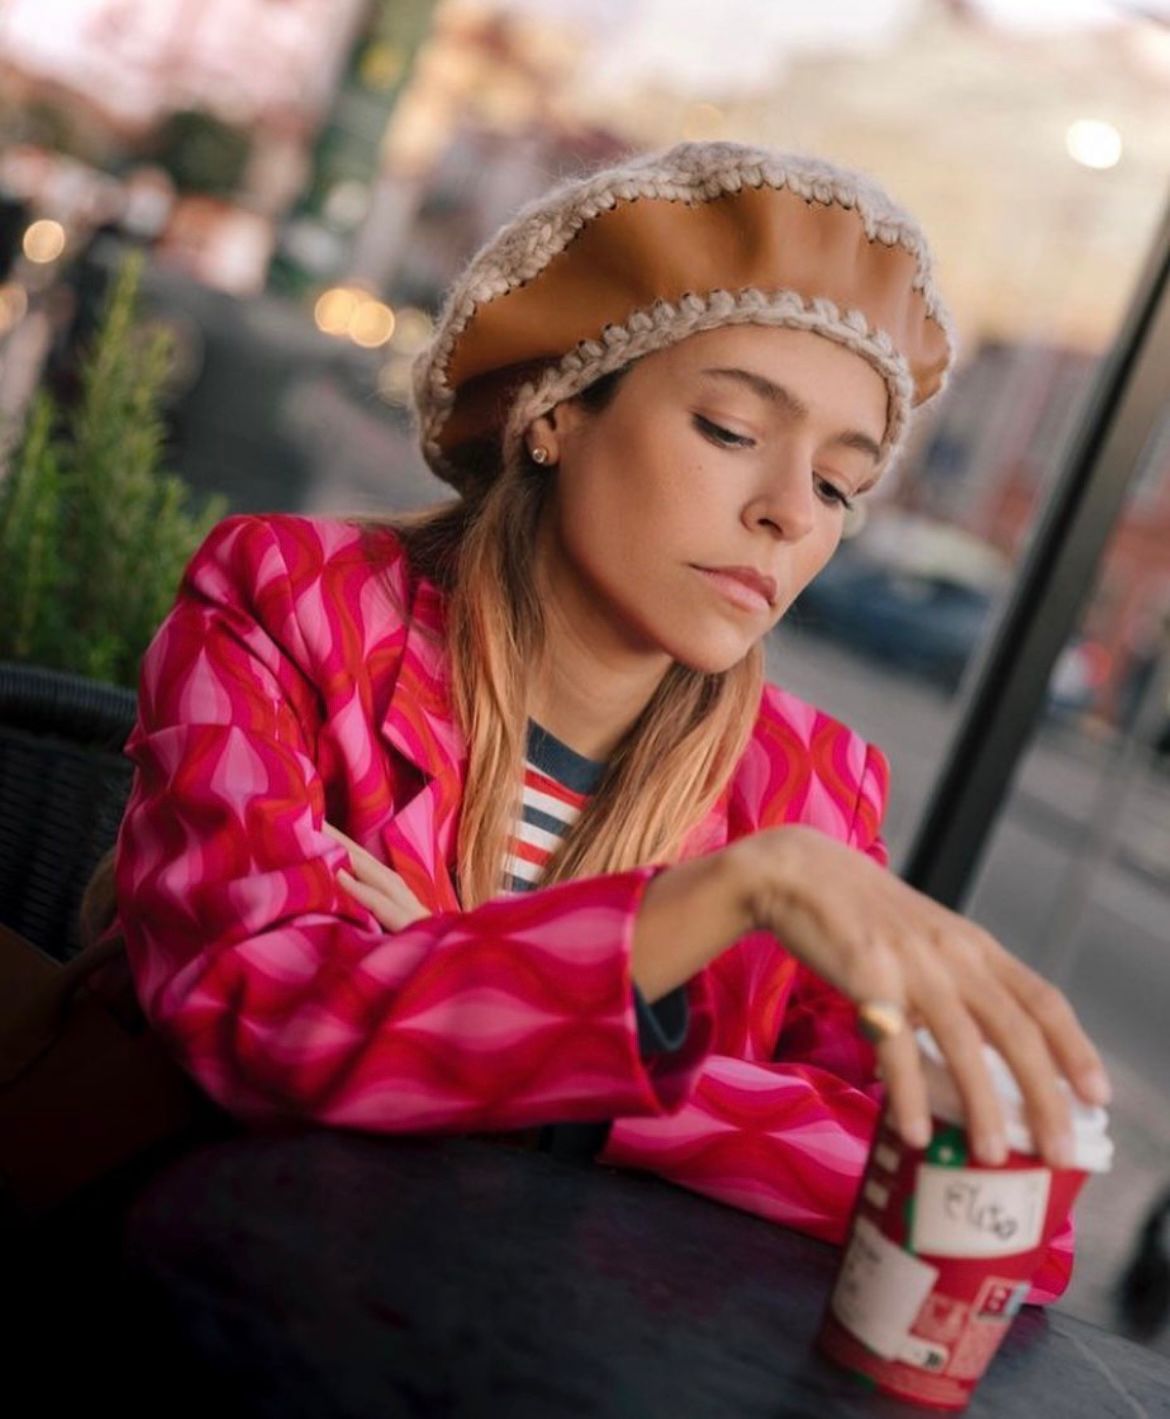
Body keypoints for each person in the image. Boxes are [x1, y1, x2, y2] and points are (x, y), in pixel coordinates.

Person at [95, 141, 1110, 1303]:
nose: (788, 513)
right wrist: (719, 912)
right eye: (731, 430)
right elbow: (258, 1015)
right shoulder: (289, 604)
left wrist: (479, 1000)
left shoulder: (813, 785)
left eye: (839, 486)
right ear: (557, 411)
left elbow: (997, 1217)